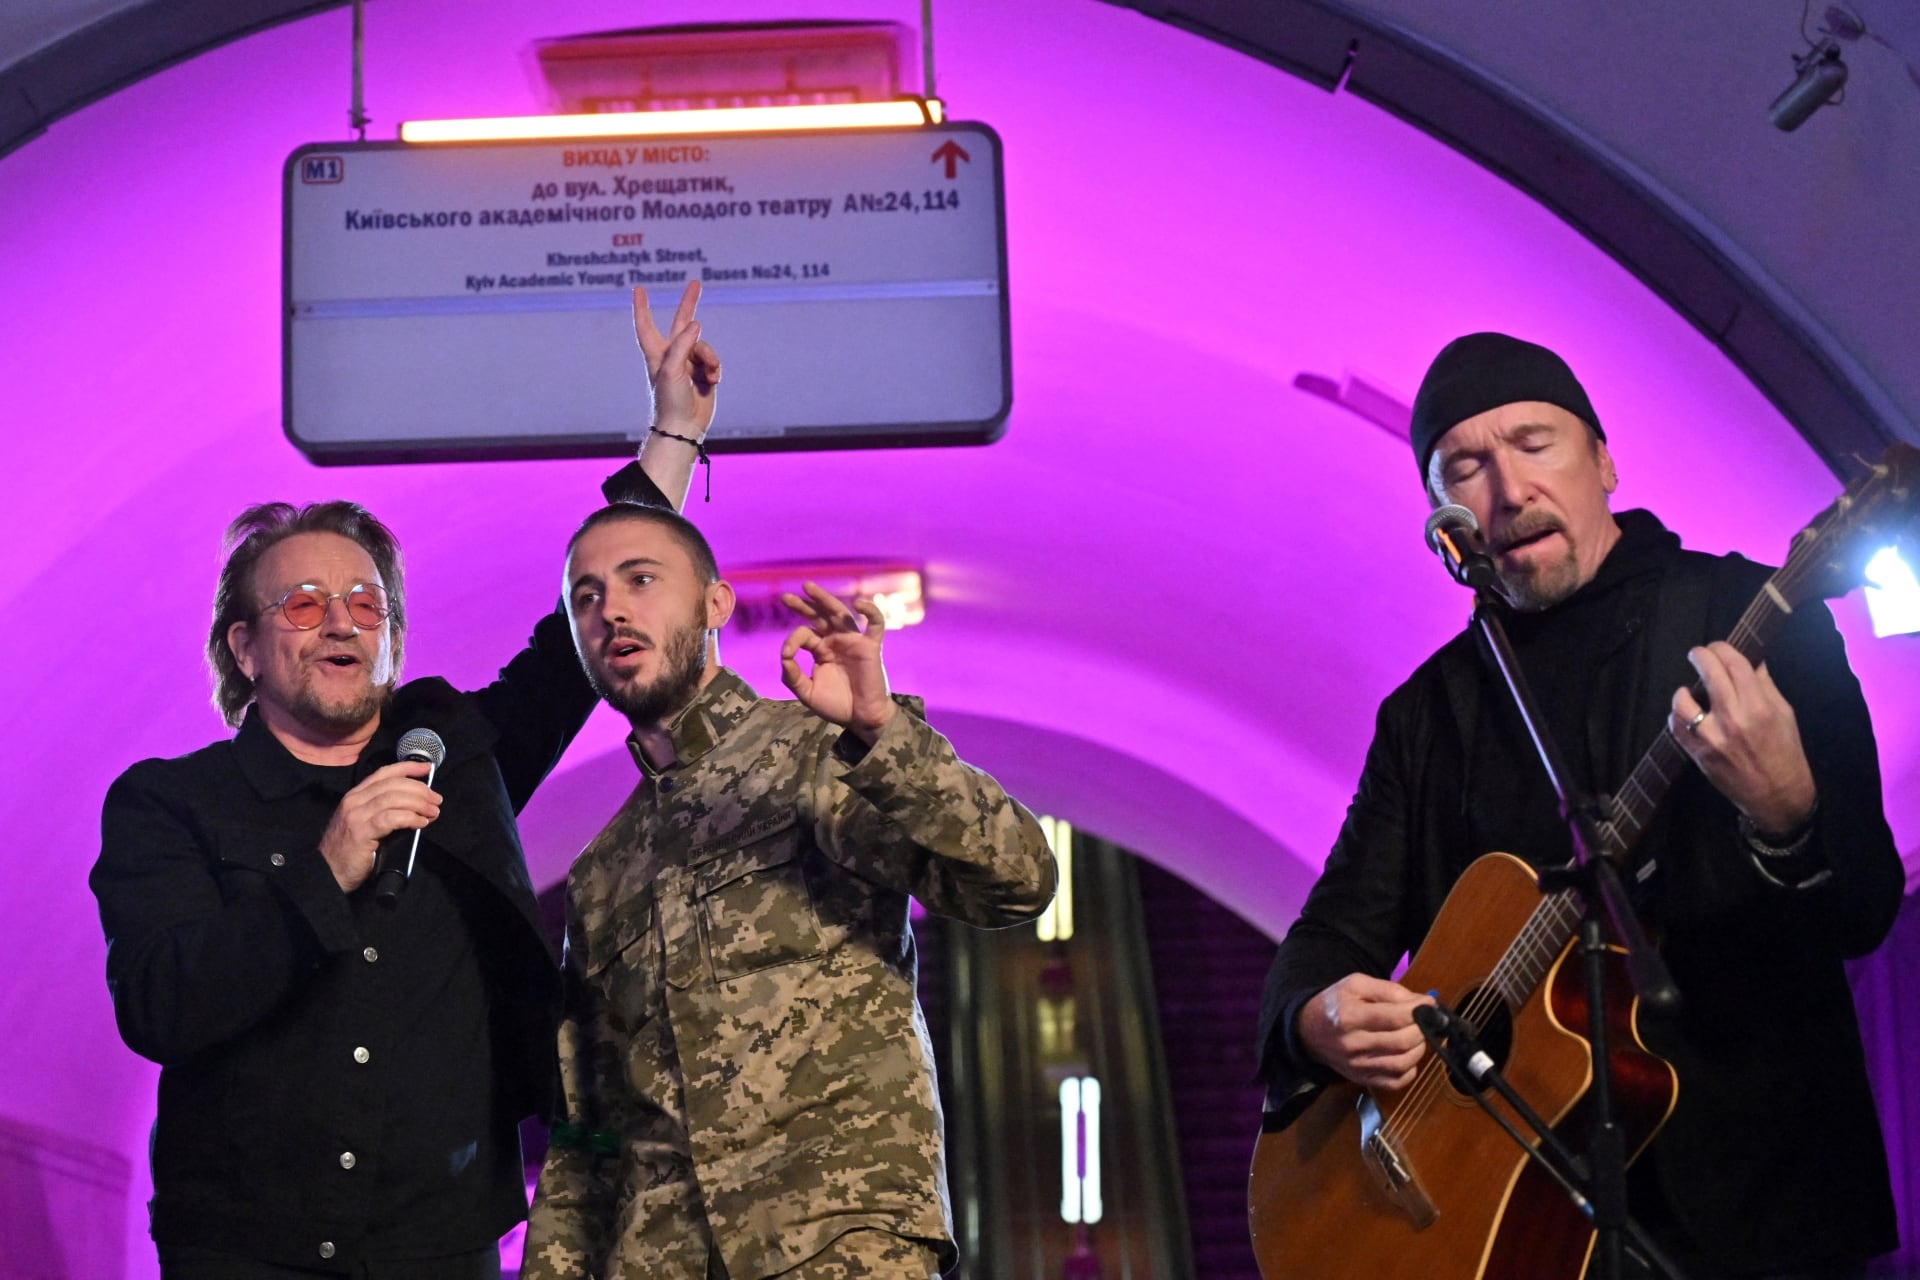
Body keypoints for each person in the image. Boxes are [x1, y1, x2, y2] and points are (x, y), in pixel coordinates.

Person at [91, 283, 720, 1277]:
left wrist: (672, 439)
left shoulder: (458, 759)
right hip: (245, 1252)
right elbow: (161, 1004)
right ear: (244, 646)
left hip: (441, 1245)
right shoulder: (169, 803)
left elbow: (567, 651)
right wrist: (323, 870)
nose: (342, 620)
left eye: (364, 602)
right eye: (304, 603)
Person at [1255, 333, 1903, 1279]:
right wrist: (1313, 1016)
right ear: (1444, 520)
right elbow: (1329, 935)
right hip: (1516, 1227)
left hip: (1760, 1214)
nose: (1510, 492)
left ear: (1602, 459)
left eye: (1534, 443)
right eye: (1466, 468)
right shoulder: (1430, 715)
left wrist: (1788, 816)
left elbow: (1867, 908)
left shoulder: (1751, 615)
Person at [519, 503, 1057, 1280]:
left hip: (837, 1241)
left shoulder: (818, 755)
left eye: (642, 579)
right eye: (587, 597)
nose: (613, 611)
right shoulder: (605, 866)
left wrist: (882, 734)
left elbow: (1018, 880)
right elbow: (586, 1133)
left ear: (714, 603)